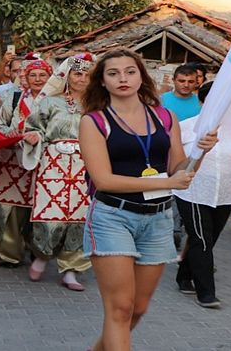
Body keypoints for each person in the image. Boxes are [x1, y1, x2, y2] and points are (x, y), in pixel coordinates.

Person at [79, 48, 217, 351]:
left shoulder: (165, 117)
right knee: (120, 309)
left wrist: (202, 151)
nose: (123, 78)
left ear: (142, 76)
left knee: (137, 309)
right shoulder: (94, 121)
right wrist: (169, 182)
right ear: (102, 82)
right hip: (112, 217)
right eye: (113, 73)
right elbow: (102, 179)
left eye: (130, 71)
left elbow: (178, 168)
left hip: (157, 220)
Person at [173, 81, 231, 308]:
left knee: (207, 240)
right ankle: (206, 293)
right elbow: (173, 161)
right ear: (202, 102)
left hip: (225, 195)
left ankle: (183, 275)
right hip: (191, 193)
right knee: (201, 239)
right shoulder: (186, 127)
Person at [22, 53, 95, 291]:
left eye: (86, 74)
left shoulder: (99, 106)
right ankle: (42, 256)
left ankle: (72, 270)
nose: (81, 78)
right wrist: (33, 137)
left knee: (81, 218)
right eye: (77, 73)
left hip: (87, 165)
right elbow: (34, 126)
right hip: (53, 163)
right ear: (67, 75)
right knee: (49, 215)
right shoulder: (50, 102)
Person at [0, 56, 51, 267]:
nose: (37, 79)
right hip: (13, 161)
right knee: (11, 208)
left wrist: (41, 138)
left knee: (41, 209)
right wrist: (14, 136)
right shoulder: (13, 98)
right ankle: (10, 254)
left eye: (43, 75)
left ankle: (38, 250)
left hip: (45, 163)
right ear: (25, 76)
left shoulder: (57, 101)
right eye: (32, 75)